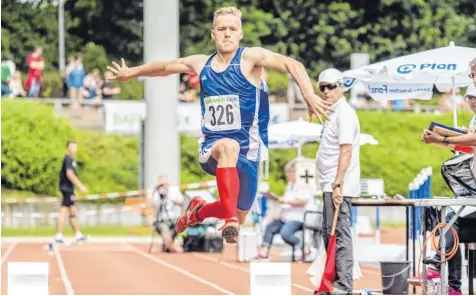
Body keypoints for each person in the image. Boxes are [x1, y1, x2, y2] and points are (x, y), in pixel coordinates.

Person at [106, 6, 331, 243]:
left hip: (249, 152)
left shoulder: (250, 58)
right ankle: (228, 220)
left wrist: (308, 94)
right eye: (221, 29)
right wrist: (131, 73)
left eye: (232, 29)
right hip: (213, 149)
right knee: (228, 148)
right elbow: (164, 68)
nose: (227, 34)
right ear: (213, 34)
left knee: (240, 212)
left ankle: (198, 212)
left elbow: (292, 65)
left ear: (240, 33)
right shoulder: (201, 64)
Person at [419, 85, 476, 295]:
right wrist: (453, 139)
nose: (471, 100)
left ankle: (443, 270)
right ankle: (451, 283)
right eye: (469, 96)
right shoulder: (473, 120)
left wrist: (444, 138)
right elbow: (469, 147)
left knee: (451, 220)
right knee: (442, 215)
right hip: (472, 190)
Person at [315, 68, 361, 295]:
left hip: (338, 183)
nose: (326, 91)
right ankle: (332, 282)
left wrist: (338, 183)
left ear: (341, 86)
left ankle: (343, 286)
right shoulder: (332, 113)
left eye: (330, 86)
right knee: (328, 233)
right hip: (328, 182)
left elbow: (346, 151)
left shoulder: (345, 114)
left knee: (339, 233)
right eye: (322, 87)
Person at [255, 160, 315, 260]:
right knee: (270, 227)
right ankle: (264, 251)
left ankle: (305, 249)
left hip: (298, 218)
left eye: (293, 172)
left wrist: (286, 201)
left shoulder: (304, 185)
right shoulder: (289, 186)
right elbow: (284, 200)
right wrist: (276, 199)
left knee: (285, 233)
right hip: (285, 217)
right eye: (289, 172)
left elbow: (303, 202)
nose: (290, 174)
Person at [55, 140, 88, 244]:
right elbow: (69, 174)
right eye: (72, 147)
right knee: (64, 211)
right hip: (66, 189)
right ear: (68, 148)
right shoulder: (68, 159)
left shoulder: (72, 160)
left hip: (69, 189)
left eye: (75, 147)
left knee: (73, 212)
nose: (74, 149)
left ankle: (78, 234)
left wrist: (74, 190)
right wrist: (80, 186)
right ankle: (59, 235)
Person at [148, 175, 184, 253]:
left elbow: (181, 202)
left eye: (166, 184)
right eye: (162, 184)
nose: (164, 186)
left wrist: (170, 196)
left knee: (180, 226)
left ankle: (165, 246)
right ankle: (172, 249)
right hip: (161, 220)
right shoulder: (155, 193)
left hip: (173, 218)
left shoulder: (173, 190)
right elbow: (150, 205)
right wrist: (154, 191)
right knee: (167, 239)